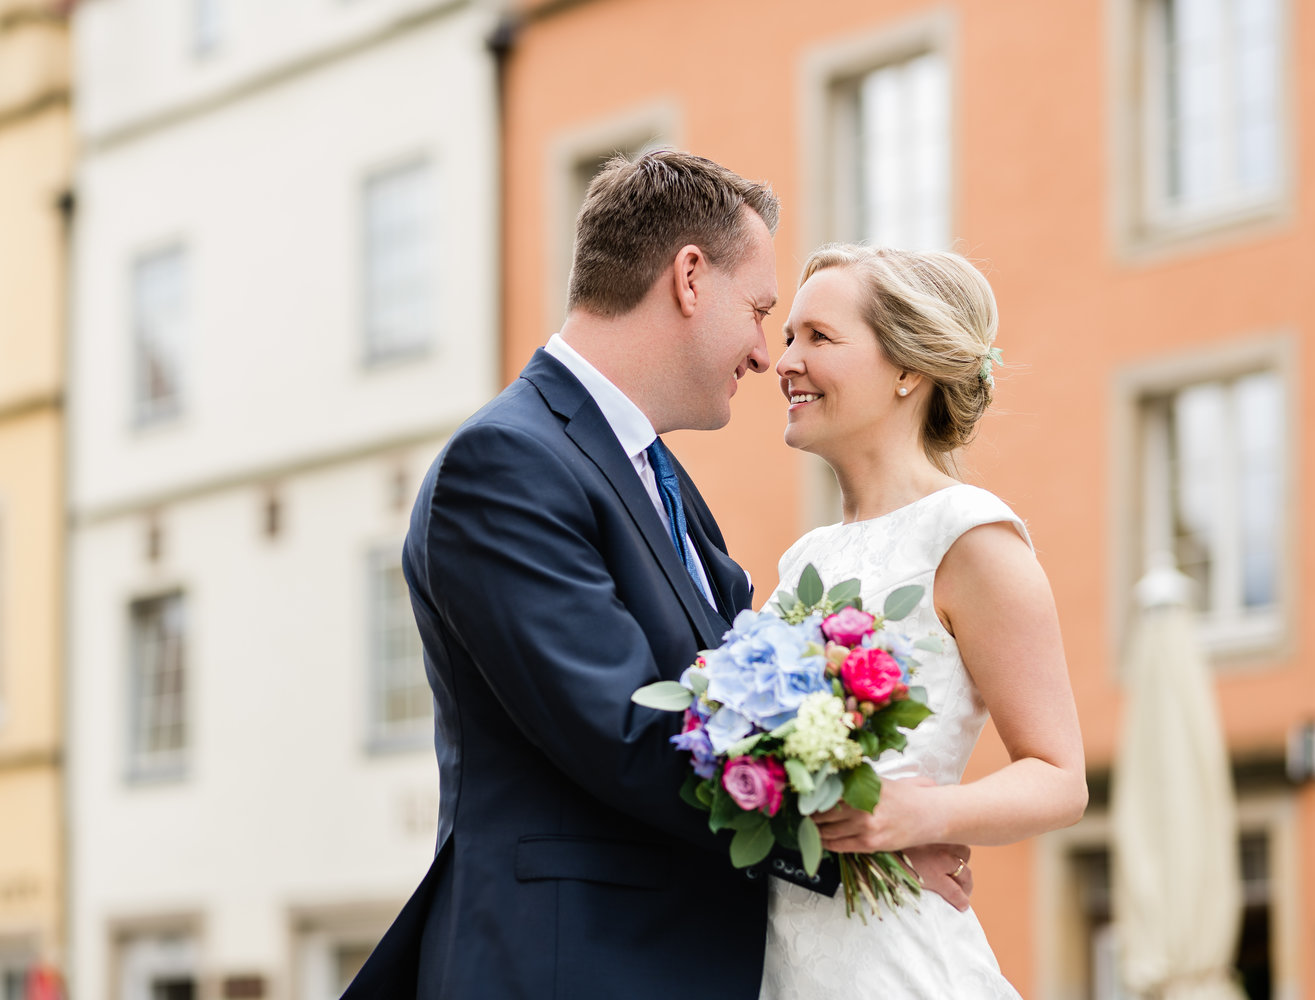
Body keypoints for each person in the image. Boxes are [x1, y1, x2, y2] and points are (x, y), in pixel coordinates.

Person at [342, 152, 972, 999]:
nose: (763, 354)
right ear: (687, 279)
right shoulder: (507, 462)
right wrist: (860, 839)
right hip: (573, 967)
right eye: (759, 311)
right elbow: (626, 732)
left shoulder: (656, 477)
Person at [760, 244, 1088, 997]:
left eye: (819, 338)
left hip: (895, 965)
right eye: (787, 338)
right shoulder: (803, 558)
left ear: (908, 370)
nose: (785, 362)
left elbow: (1060, 779)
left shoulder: (971, 538)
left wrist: (916, 816)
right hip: (781, 951)